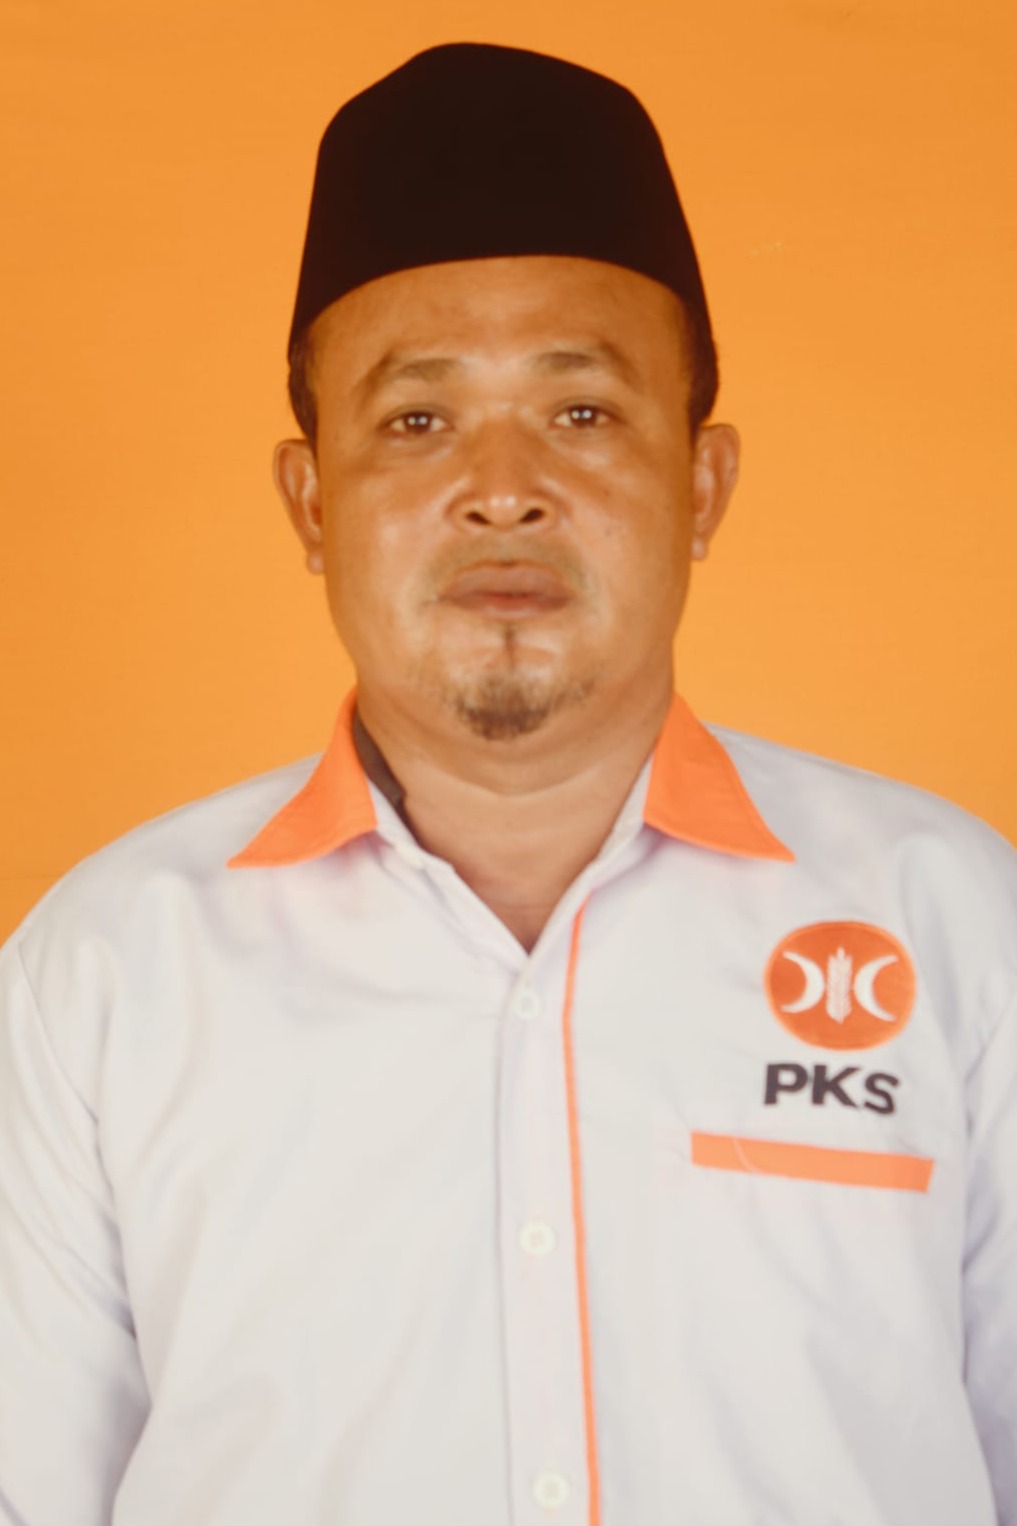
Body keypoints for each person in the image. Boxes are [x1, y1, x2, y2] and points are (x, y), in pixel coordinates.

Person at [0, 40, 1014, 1526]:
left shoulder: (963, 926)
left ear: (703, 483)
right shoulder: (100, 975)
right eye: (416, 420)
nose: (500, 488)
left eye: (581, 411)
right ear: (310, 501)